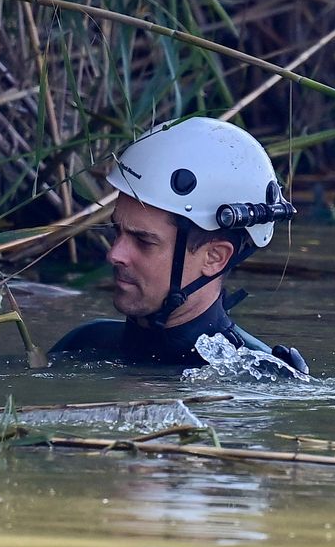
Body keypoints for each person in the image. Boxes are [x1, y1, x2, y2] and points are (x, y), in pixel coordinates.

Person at [53, 117, 308, 373]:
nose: (114, 254)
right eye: (117, 231)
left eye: (144, 241)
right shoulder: (81, 346)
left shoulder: (257, 381)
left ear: (214, 257)